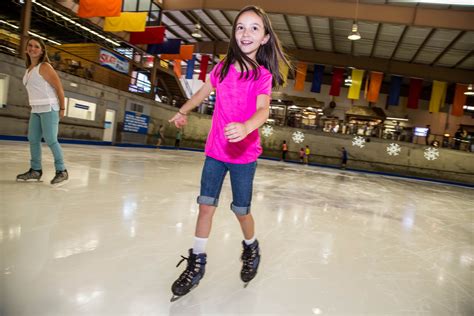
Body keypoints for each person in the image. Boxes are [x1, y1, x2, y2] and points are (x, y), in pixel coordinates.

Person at [167, 5, 291, 300]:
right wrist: (183, 110)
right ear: (234, 34)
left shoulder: (262, 75)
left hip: (244, 156)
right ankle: (197, 262)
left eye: (254, 28)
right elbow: (202, 92)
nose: (246, 33)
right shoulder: (221, 69)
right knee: (206, 206)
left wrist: (247, 127)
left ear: (264, 38)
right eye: (240, 27)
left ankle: (251, 245)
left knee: (240, 210)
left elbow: (263, 110)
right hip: (215, 151)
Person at [16, 37, 68, 186]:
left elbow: (59, 88)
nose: (32, 48)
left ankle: (62, 170)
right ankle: (36, 170)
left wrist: (62, 108)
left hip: (49, 108)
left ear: (42, 50)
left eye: (36, 46)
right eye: (30, 46)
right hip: (36, 109)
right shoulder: (29, 70)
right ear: (26, 49)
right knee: (33, 139)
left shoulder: (44, 66)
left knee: (51, 139)